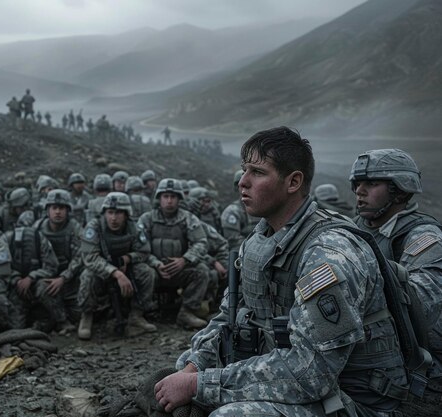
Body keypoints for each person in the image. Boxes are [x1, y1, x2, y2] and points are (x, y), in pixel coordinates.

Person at [156, 127, 408, 417]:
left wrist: (200, 384)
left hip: (353, 399)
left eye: (258, 172)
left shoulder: (327, 253)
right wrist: (193, 367)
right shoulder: (260, 240)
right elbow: (228, 318)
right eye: (243, 170)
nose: (243, 181)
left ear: (293, 182)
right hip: (301, 383)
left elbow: (313, 374)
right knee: (174, 380)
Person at [350, 148, 442, 380]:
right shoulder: (352, 228)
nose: (359, 191)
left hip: (418, 355)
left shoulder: (423, 236)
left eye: (371, 184)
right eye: (357, 183)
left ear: (399, 192)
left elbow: (420, 301)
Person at [78, 192, 157, 339]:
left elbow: (144, 252)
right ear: (104, 213)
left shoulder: (134, 227)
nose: (114, 218)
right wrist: (115, 272)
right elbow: (90, 257)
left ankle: (137, 316)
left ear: (127, 214)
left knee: (147, 272)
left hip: (126, 267)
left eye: (119, 213)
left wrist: (128, 258)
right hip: (102, 269)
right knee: (87, 275)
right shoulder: (94, 227)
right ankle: (87, 315)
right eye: (110, 212)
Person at [138, 178, 210, 329]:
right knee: (140, 271)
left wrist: (185, 260)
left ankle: (186, 313)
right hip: (154, 271)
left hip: (179, 270)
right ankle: (137, 315)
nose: (169, 201)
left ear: (179, 199)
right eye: (166, 196)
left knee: (202, 271)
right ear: (159, 198)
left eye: (173, 197)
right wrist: (155, 263)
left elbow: (201, 242)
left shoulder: (188, 218)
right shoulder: (147, 219)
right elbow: (139, 248)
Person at [0, 211, 60, 331]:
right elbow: (0, 268)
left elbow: (52, 266)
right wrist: (17, 280)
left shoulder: (40, 239)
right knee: (16, 328)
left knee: (45, 288)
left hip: (36, 285)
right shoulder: (6, 239)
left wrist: (31, 277)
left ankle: (58, 320)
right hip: (15, 288)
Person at [33, 190, 83, 331]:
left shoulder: (75, 228)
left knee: (78, 313)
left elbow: (80, 257)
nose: (57, 212)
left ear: (67, 210)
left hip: (71, 278)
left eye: (61, 208)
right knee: (42, 288)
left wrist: (63, 277)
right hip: (46, 275)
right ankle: (61, 321)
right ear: (47, 210)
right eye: (54, 208)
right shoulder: (37, 228)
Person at [220, 169, 260, 252]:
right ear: (237, 187)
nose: (246, 188)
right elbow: (233, 241)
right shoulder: (232, 212)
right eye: (242, 185)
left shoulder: (263, 207)